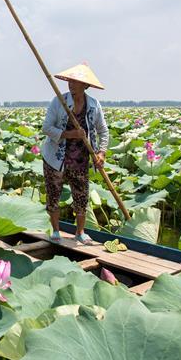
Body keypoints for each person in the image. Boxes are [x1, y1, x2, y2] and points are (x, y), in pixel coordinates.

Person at [40, 63, 109, 245]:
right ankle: (55, 231)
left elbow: (103, 130)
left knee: (81, 195)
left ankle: (80, 232)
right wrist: (69, 134)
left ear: (85, 85)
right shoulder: (59, 101)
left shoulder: (93, 105)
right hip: (56, 158)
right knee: (53, 193)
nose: (71, 84)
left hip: (80, 158)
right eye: (70, 80)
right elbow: (46, 128)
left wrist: (101, 152)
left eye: (75, 82)